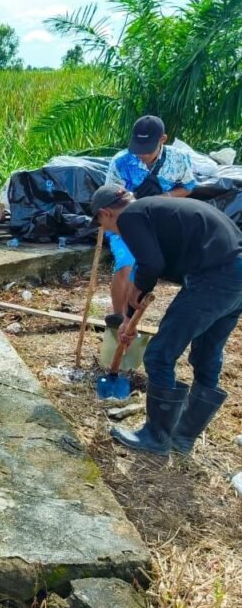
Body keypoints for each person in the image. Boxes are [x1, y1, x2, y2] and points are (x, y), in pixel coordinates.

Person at [90, 184, 242, 456]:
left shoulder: (131, 216)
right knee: (207, 354)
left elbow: (151, 265)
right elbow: (146, 265)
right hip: (235, 275)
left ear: (106, 213)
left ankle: (156, 436)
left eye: (101, 224)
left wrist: (139, 289)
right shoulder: (155, 210)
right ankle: (182, 438)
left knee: (159, 354)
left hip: (213, 279)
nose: (108, 230)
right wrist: (127, 318)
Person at [104, 116, 196, 316]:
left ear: (163, 139)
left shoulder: (178, 159)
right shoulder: (121, 161)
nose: (142, 154)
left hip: (163, 222)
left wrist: (164, 198)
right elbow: (110, 196)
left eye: (148, 148)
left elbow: (188, 186)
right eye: (138, 148)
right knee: (126, 264)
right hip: (127, 221)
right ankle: (118, 319)